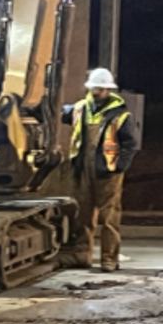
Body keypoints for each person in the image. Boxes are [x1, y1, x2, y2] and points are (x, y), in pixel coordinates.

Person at [60, 68, 138, 272]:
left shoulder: (120, 115)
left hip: (108, 171)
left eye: (101, 89)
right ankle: (81, 256)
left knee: (109, 217)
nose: (98, 92)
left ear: (108, 90)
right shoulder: (80, 108)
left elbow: (130, 144)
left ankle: (109, 259)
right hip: (83, 168)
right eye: (96, 88)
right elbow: (60, 113)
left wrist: (120, 166)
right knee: (83, 214)